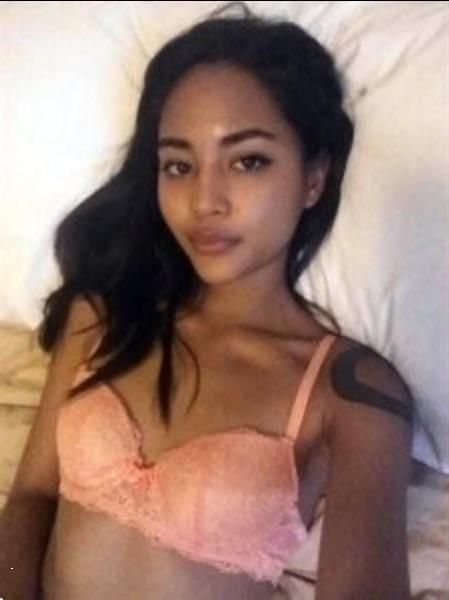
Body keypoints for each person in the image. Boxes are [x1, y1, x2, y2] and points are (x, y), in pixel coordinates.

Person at [0, 2, 414, 599]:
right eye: (178, 165)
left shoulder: (350, 393)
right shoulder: (103, 315)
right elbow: (32, 498)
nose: (204, 201)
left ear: (314, 178)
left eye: (248, 161)